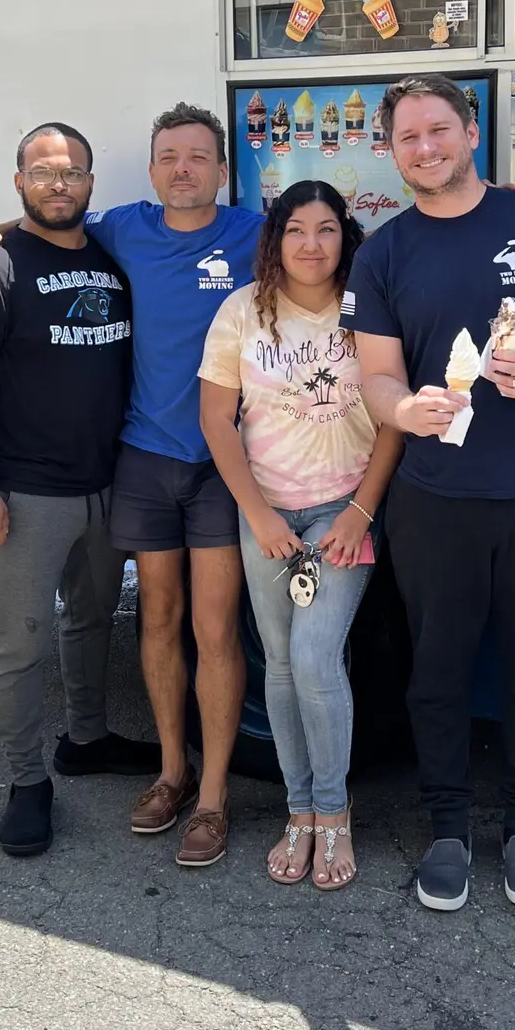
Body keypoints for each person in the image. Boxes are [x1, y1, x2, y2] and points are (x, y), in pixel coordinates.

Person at [341, 75, 515, 915]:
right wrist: (406, 408)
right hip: (435, 498)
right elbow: (376, 379)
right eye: (407, 138)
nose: (424, 148)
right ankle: (449, 831)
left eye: (438, 130)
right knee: (439, 673)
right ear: (391, 152)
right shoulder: (385, 252)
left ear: (470, 132)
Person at [0, 102, 263, 869]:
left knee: (214, 631)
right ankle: (167, 775)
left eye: (199, 156)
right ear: (153, 169)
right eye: (169, 156)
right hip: (142, 462)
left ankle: (212, 798)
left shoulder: (257, 234)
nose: (184, 168)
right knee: (154, 620)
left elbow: (334, 250)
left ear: (222, 170)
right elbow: (45, 222)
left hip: (225, 466)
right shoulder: (123, 229)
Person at [0, 122, 160, 858]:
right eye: (42, 173)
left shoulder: (110, 255)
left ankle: (86, 739)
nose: (57, 184)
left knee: (92, 620)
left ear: (91, 185)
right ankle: (29, 782)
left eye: (71, 174)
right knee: (18, 644)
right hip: (27, 494)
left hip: (107, 485)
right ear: (19, 181)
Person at [198, 181, 404, 890]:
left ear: (346, 236)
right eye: (295, 231)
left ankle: (334, 811)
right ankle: (298, 812)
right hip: (265, 511)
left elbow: (392, 419)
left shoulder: (367, 310)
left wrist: (362, 512)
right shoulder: (241, 312)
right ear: (275, 239)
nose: (311, 245)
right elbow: (215, 422)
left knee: (317, 657)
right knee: (280, 666)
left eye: (325, 230)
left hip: (342, 510)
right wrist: (255, 514)